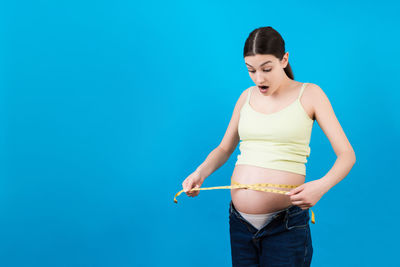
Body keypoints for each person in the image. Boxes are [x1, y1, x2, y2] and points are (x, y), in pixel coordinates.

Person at [181, 26, 356, 267]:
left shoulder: (310, 94)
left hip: (285, 225)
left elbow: (347, 155)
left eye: (267, 69)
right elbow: (224, 148)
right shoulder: (246, 97)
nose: (259, 79)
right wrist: (199, 173)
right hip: (240, 223)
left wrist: (321, 186)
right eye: (251, 70)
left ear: (284, 59)